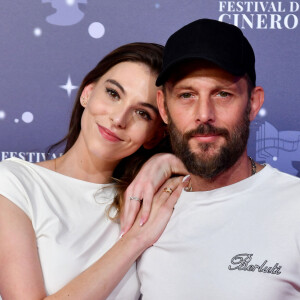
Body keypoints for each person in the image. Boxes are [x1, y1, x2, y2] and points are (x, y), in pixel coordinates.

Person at [0, 42, 188, 299]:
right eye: (113, 94)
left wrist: (166, 162)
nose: (119, 119)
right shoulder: (15, 183)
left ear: (155, 136)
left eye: (142, 113)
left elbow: (231, 177)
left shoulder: (151, 197)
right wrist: (133, 241)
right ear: (87, 92)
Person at [137, 19, 300, 299]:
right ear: (163, 106)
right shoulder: (142, 211)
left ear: (253, 103)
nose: (204, 114)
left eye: (223, 94)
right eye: (187, 95)